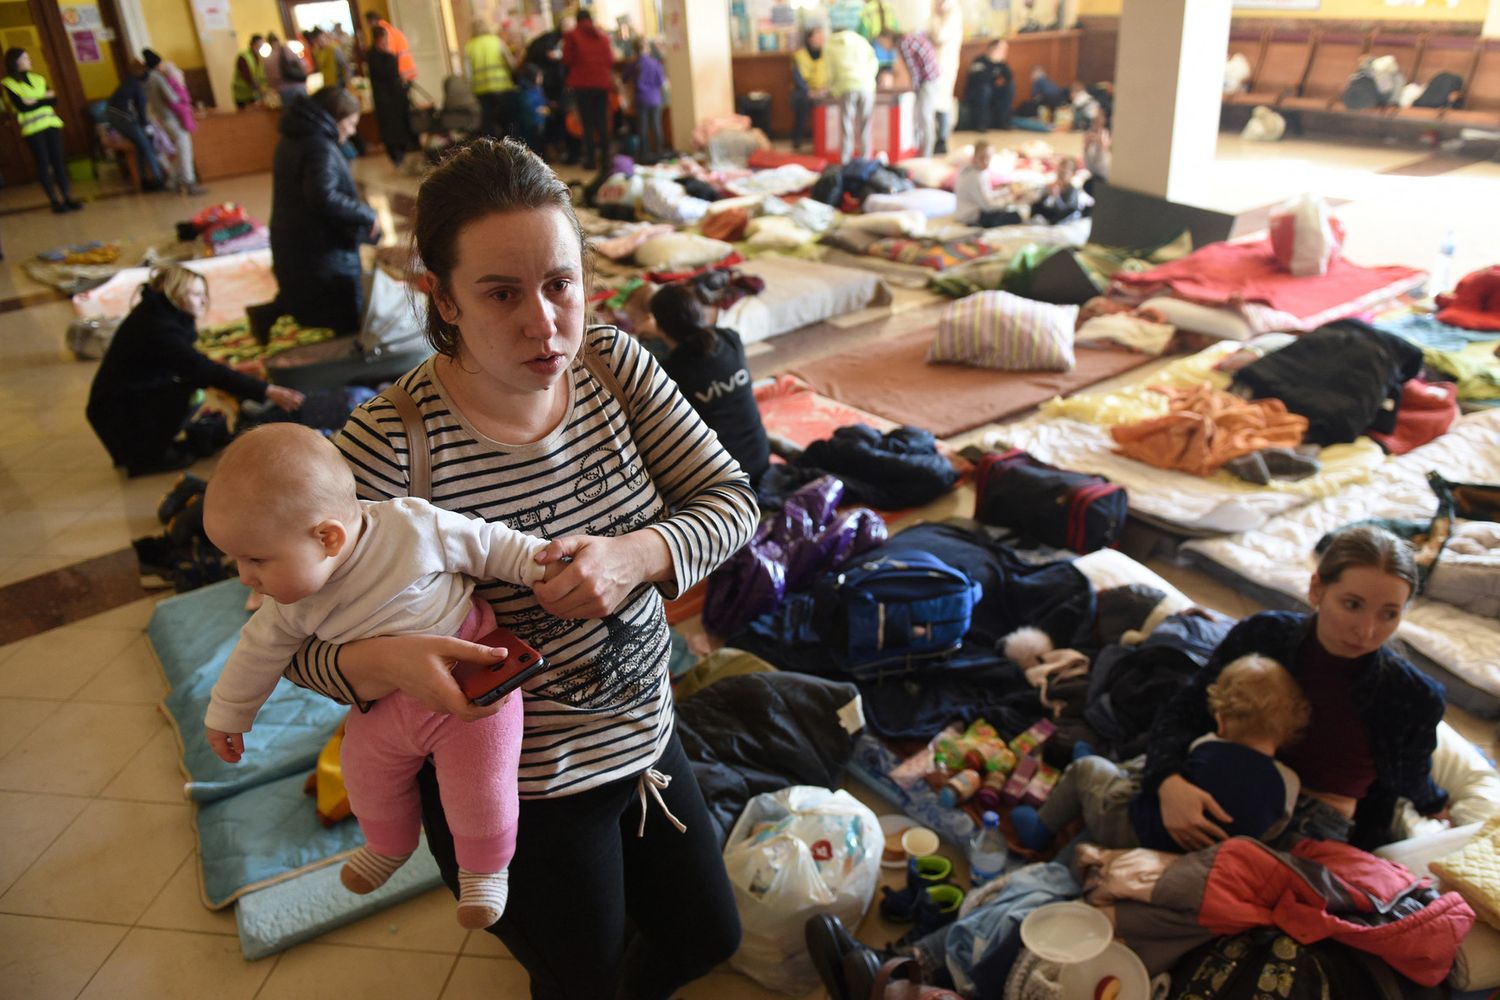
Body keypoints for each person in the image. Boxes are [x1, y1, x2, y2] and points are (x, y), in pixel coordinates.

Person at [280, 137, 756, 996]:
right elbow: (288, 640)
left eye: (560, 283)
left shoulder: (614, 366)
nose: (544, 323)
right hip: (517, 794)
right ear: (443, 297)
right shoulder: (391, 445)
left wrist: (634, 556)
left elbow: (732, 501)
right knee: (580, 975)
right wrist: (385, 663)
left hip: (644, 737)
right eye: (501, 293)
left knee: (707, 936)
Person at [202, 424, 559, 929]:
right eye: (237, 560)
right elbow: (255, 653)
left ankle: (484, 870)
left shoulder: (411, 526)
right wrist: (228, 713)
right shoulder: (290, 604)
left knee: (481, 785)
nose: (244, 577)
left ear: (327, 537)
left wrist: (539, 563)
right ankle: (388, 846)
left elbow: (486, 543)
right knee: (362, 772)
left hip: (469, 688)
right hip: (384, 704)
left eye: (256, 559)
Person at [1144, 526, 1449, 851]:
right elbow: (1186, 710)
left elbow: (1411, 775)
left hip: (1316, 835)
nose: (1367, 631)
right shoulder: (1264, 636)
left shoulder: (1412, 697)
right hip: (1220, 787)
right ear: (1317, 589)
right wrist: (1168, 783)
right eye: (1352, 605)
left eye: (1389, 614)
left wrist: (1437, 805)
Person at [1010, 655, 1309, 852]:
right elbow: (1270, 832)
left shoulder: (1205, 747)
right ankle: (1105, 770)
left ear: (1220, 721)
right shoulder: (1289, 784)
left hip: (1128, 831)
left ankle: (1039, 829)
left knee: (1087, 768)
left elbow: (1152, 778)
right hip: (1190, 861)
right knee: (1130, 769)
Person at [86, 264, 304, 477]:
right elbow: (200, 369)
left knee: (194, 384)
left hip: (117, 404)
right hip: (117, 413)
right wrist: (267, 390)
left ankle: (149, 448)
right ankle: (148, 455)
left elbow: (190, 362)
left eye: (204, 294)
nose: (204, 301)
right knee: (189, 392)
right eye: (196, 294)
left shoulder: (157, 313)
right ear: (175, 294)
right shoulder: (159, 328)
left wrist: (236, 372)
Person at [269, 87, 379, 334]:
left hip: (296, 243)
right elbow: (324, 196)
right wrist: (367, 214)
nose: (352, 131)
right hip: (320, 250)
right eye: (351, 123)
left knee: (304, 298)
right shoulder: (319, 146)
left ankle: (267, 315)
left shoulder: (293, 138)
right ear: (336, 117)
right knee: (346, 316)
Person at [648, 283, 771, 487]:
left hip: (724, 477)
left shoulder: (669, 372)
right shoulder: (730, 338)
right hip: (761, 457)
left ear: (660, 328)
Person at [2, 47, 81, 213]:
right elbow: (22, 107)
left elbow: (53, 100)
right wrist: (42, 98)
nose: (29, 61)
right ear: (16, 62)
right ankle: (54, 201)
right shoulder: (8, 84)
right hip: (33, 130)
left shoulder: (38, 78)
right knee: (43, 164)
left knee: (59, 162)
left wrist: (34, 100)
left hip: (51, 124)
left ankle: (67, 197)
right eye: (25, 58)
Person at [143, 49, 204, 195]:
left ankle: (172, 181)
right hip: (172, 118)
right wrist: (182, 95)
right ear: (157, 64)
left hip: (162, 118)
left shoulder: (146, 79)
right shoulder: (158, 78)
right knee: (185, 149)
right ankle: (189, 182)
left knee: (181, 149)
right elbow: (172, 98)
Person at [563, 10, 614, 170]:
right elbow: (610, 60)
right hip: (601, 84)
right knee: (602, 121)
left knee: (587, 123)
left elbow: (567, 59)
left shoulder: (572, 36)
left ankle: (591, 160)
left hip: (582, 85)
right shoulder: (603, 37)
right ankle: (606, 159)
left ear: (578, 20)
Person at [106, 60, 166, 191]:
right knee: (146, 145)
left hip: (114, 116)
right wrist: (146, 126)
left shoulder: (128, 82)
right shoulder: (136, 84)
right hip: (123, 117)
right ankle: (158, 178)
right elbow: (141, 106)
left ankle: (143, 180)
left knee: (140, 146)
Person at [826, 17, 877, 163]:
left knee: (847, 125)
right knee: (865, 125)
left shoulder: (830, 45)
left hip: (846, 86)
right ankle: (866, 160)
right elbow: (873, 62)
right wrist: (870, 79)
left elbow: (829, 71)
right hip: (866, 85)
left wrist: (833, 88)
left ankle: (845, 161)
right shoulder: (862, 41)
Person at [883, 29, 941, 158]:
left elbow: (913, 69)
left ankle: (926, 155)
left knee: (924, 117)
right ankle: (922, 152)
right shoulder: (909, 38)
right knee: (922, 117)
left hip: (927, 81)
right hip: (931, 79)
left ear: (887, 38)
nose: (883, 47)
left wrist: (911, 89)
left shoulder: (904, 43)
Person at [367, 27, 415, 168]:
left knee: (400, 126)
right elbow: (386, 74)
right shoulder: (374, 56)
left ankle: (404, 152)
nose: (386, 42)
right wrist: (390, 56)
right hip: (385, 100)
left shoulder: (383, 54)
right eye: (384, 40)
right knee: (390, 130)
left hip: (395, 98)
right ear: (377, 40)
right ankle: (396, 156)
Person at [466, 18, 517, 139]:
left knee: (488, 122)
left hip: (481, 91)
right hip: (502, 87)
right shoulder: (496, 41)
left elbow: (468, 73)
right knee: (507, 120)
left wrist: (471, 88)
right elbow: (511, 62)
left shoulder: (469, 46)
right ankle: (509, 145)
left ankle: (491, 147)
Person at [953, 141, 1021, 228]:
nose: (985, 161)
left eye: (988, 158)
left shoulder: (979, 171)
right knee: (1015, 216)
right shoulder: (974, 176)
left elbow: (987, 195)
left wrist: (1006, 191)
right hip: (971, 216)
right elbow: (987, 206)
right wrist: (1009, 201)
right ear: (975, 157)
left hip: (971, 211)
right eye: (981, 158)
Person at [929, 0, 963, 152]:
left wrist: (935, 15)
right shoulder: (942, 10)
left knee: (942, 102)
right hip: (936, 64)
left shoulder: (952, 11)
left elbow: (939, 35)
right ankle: (936, 138)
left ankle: (941, 139)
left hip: (944, 63)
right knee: (936, 102)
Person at [963, 39, 1013, 131]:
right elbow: (980, 79)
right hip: (977, 92)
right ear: (993, 48)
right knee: (985, 89)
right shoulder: (979, 61)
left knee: (1009, 88)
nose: (1003, 52)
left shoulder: (1000, 63)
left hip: (991, 91)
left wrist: (1002, 64)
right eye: (1001, 49)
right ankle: (980, 123)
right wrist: (992, 63)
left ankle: (1002, 121)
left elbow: (1009, 77)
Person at [790, 26, 826, 152]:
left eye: (821, 36)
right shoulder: (800, 55)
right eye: (817, 36)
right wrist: (809, 91)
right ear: (809, 39)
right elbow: (797, 77)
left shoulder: (828, 54)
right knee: (801, 101)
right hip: (805, 90)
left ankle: (823, 140)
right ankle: (797, 139)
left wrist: (825, 89)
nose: (820, 39)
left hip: (824, 90)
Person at [631, 39, 665, 163]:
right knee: (656, 126)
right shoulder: (655, 63)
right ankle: (660, 153)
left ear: (635, 50)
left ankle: (645, 156)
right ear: (648, 49)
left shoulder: (635, 65)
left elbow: (624, 78)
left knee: (643, 129)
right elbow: (661, 82)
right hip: (655, 98)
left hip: (641, 99)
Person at [365, 11, 416, 82]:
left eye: (368, 23)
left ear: (373, 21)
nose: (369, 27)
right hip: (407, 70)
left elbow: (389, 54)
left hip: (400, 73)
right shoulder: (391, 29)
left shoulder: (383, 33)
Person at [1031, 155, 1083, 224]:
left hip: (1063, 213)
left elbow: (1063, 209)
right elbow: (1043, 204)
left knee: (1070, 211)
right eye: (1060, 172)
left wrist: (1056, 196)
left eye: (1065, 173)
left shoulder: (1072, 190)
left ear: (1073, 174)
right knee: (1036, 205)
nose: (1061, 175)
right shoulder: (1052, 186)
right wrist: (1047, 195)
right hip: (1052, 212)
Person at [513, 62, 548, 155]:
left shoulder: (537, 88)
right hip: (530, 122)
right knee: (532, 143)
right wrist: (539, 110)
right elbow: (526, 106)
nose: (541, 78)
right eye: (539, 76)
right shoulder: (525, 90)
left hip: (538, 120)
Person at [269, 33, 309, 105]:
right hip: (298, 85)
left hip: (283, 90)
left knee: (291, 110)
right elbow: (302, 64)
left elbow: (270, 79)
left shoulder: (269, 58)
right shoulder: (287, 50)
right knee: (306, 108)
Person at [232, 34, 267, 108]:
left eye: (262, 45)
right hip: (243, 95)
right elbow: (247, 76)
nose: (260, 47)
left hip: (254, 93)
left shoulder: (260, 57)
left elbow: (261, 75)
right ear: (253, 45)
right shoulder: (244, 57)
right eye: (258, 45)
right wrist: (260, 90)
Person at [1083, 114, 1110, 197]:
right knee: (1087, 184)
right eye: (1094, 121)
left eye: (1098, 120)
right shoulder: (1093, 137)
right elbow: (1090, 169)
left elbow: (1102, 172)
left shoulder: (1106, 136)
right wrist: (1086, 148)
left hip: (1106, 181)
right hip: (1095, 181)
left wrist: (1102, 149)